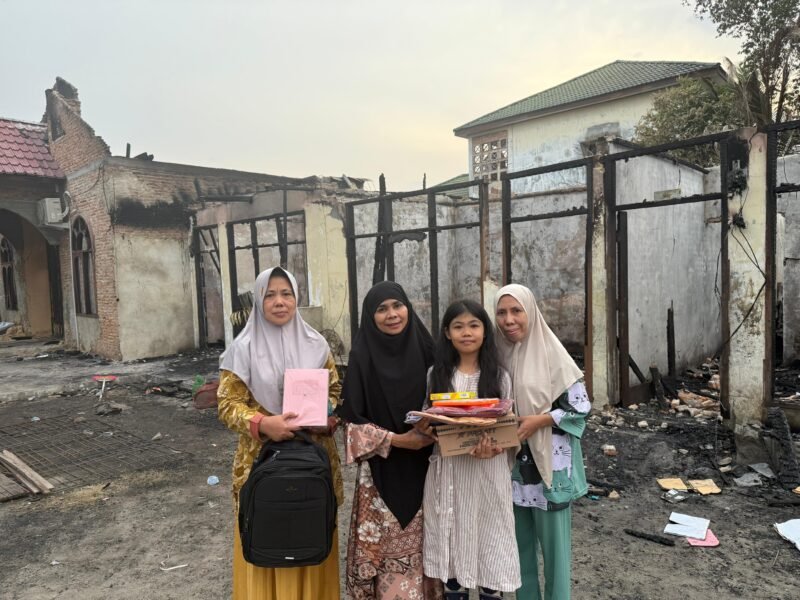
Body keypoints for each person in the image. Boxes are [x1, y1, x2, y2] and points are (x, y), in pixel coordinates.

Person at [217, 267, 343, 600]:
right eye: (270, 295)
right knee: (267, 532)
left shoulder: (316, 344)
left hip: (312, 458)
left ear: (296, 298)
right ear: (259, 301)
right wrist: (263, 423)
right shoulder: (242, 349)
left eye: (286, 294)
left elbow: (334, 391)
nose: (279, 301)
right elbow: (227, 404)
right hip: (262, 462)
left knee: (312, 527)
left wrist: (323, 414)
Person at [337, 281, 442, 600]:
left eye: (397, 305)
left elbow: (449, 403)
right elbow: (350, 425)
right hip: (379, 476)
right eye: (382, 309)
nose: (392, 314)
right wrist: (399, 440)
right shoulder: (362, 356)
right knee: (383, 558)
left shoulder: (429, 351)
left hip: (429, 471)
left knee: (431, 554)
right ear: (371, 317)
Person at [494, 284, 590, 600]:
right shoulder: (497, 355)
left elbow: (579, 408)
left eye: (516, 311)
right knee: (519, 553)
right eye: (501, 312)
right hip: (512, 471)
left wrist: (540, 420)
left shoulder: (553, 354)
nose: (509, 320)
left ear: (531, 313)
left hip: (550, 471)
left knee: (555, 557)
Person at [422, 299, 521, 600]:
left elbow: (508, 428)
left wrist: (494, 448)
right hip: (449, 474)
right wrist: (426, 427)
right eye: (458, 326)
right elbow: (430, 421)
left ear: (485, 331)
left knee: (490, 544)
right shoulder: (436, 375)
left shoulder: (499, 377)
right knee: (453, 551)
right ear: (447, 333)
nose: (467, 333)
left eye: (474, 325)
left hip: (487, 473)